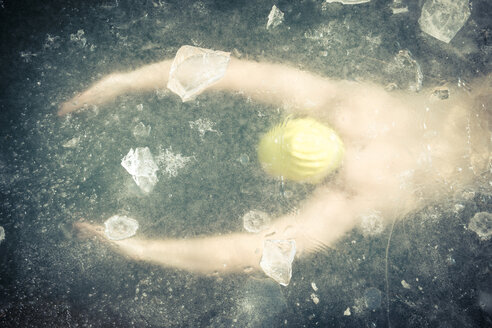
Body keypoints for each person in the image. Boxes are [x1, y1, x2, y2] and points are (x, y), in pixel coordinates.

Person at [61, 46, 490, 277]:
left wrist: (127, 79)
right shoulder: (370, 177)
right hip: (379, 171)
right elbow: (260, 251)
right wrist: (143, 250)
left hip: (369, 132)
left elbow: (238, 72)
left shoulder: (356, 109)